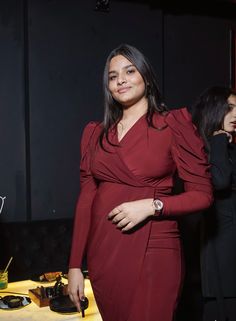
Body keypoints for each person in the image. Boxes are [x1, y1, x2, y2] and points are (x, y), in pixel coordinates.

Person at [67, 43, 213, 321]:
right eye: (113, 76)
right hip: (104, 252)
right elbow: (86, 200)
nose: (120, 79)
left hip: (154, 249)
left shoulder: (172, 125)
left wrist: (152, 206)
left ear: (146, 77)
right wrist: (75, 265)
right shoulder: (94, 134)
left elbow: (203, 195)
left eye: (129, 71)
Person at [191, 86, 236, 321]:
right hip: (219, 264)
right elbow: (219, 181)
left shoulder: (229, 150)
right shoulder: (200, 151)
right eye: (230, 108)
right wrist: (218, 139)